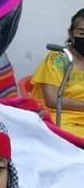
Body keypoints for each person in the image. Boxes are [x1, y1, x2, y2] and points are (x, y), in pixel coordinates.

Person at [31, 9, 84, 140]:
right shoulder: (58, 59)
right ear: (71, 34)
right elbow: (53, 100)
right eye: (82, 33)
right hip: (61, 117)